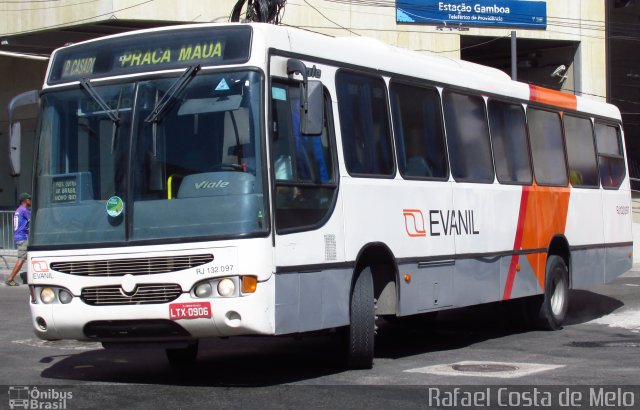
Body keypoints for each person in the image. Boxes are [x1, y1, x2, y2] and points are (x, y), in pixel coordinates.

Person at [5, 193, 31, 286]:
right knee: (21, 259)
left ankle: (31, 276)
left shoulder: (19, 210)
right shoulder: (25, 210)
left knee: (30, 257)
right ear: (24, 201)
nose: (30, 200)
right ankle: (10, 279)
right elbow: (33, 221)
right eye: (29, 199)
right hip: (23, 237)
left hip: (19, 236)